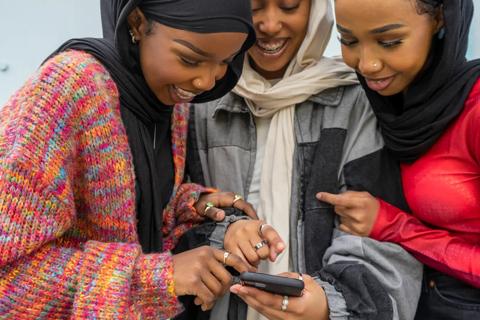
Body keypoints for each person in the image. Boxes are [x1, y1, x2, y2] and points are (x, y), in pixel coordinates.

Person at [0, 0, 259, 318]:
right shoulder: (66, 90)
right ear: (136, 23)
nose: (206, 81)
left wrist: (190, 203)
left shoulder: (164, 102)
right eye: (190, 58)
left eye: (225, 61)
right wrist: (156, 278)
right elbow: (8, 279)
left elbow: (129, 219)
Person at [185, 0, 423, 319]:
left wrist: (326, 304)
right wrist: (225, 230)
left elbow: (383, 235)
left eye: (289, 6)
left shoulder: (358, 103)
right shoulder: (197, 102)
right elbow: (170, 219)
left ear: (315, 11)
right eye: (255, 7)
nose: (269, 25)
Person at [319, 0, 480, 319]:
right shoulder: (387, 105)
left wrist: (393, 226)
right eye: (348, 40)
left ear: (439, 19)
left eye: (389, 42)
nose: (367, 64)